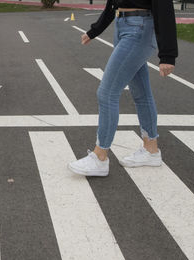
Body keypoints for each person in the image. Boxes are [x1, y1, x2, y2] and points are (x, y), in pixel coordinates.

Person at [68, 0, 178, 176]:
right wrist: (95, 30)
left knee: (107, 93)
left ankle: (100, 157)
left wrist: (168, 54)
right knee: (141, 93)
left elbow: (164, 6)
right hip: (123, 26)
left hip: (139, 28)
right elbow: (113, 2)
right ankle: (151, 150)